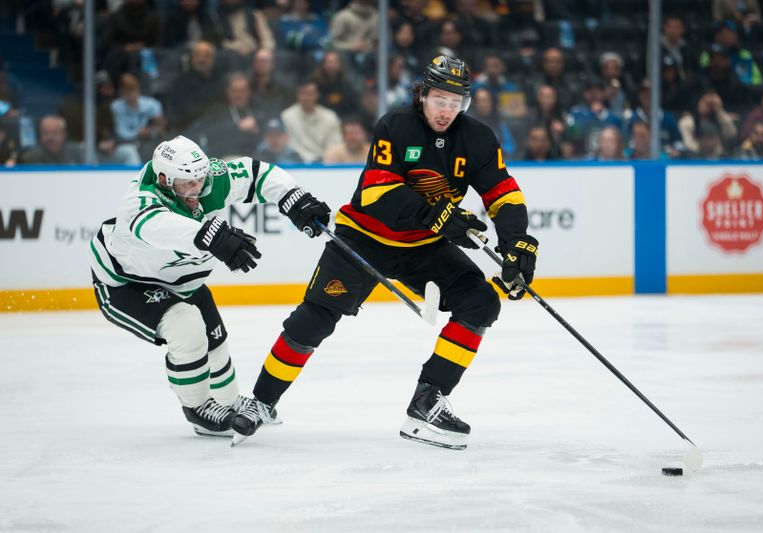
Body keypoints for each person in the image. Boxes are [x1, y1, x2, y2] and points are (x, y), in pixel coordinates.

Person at [232, 56, 539, 450]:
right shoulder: (396, 126)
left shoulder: (477, 138)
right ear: (423, 95)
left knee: (480, 302)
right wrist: (441, 216)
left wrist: (517, 241)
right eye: (439, 99)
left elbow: (503, 192)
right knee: (315, 319)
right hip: (364, 238)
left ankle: (427, 402)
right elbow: (377, 194)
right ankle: (261, 402)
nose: (446, 110)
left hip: (423, 247)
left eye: (455, 102)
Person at [89, 135, 330, 437]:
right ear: (164, 179)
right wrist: (212, 236)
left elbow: (257, 173)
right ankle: (198, 408)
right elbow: (160, 227)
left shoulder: (207, 181)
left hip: (184, 280)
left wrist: (292, 197)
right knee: (187, 328)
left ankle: (228, 402)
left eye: (200, 180)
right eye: (187, 184)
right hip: (126, 284)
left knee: (215, 340)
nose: (197, 190)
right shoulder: (139, 202)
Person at [19, 115, 84, 164]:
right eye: (46, 133)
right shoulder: (30, 158)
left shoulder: (78, 153)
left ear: (64, 134)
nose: (50, 137)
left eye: (55, 133)